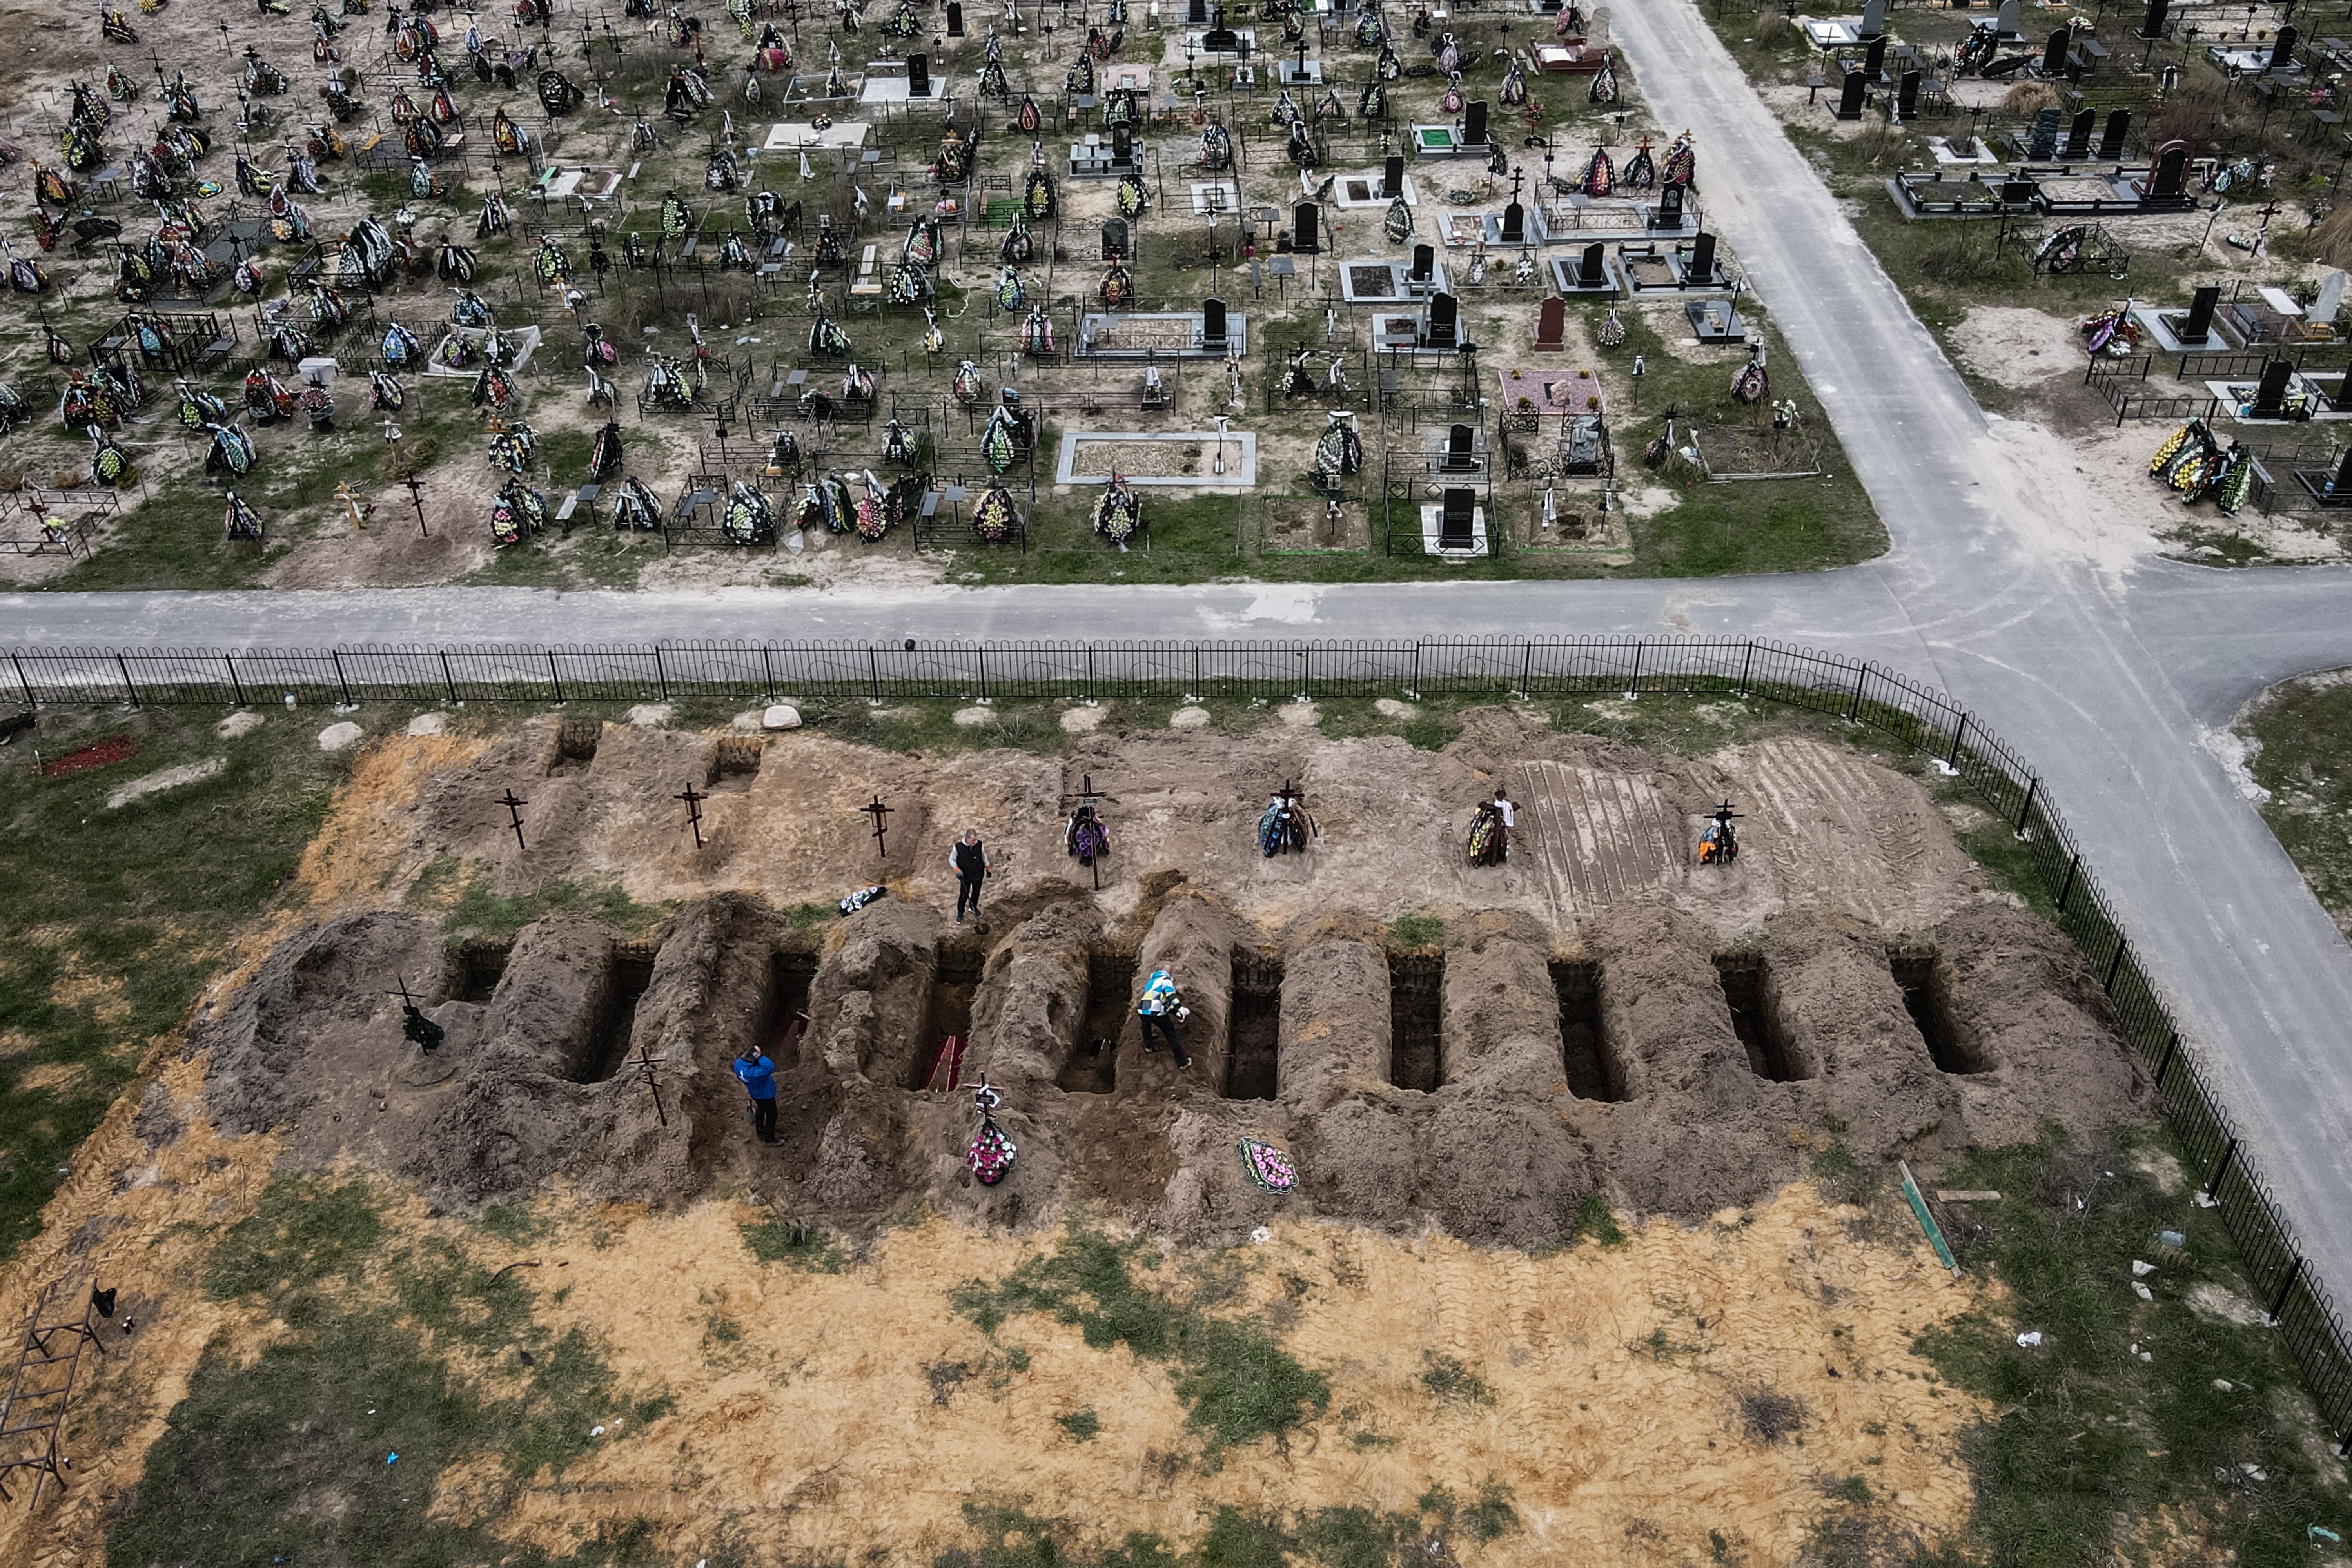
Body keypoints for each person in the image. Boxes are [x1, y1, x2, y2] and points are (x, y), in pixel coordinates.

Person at [1136, 966, 1190, 1068]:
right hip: (1157, 1014)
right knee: (1171, 1035)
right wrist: (1180, 1008)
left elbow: (1162, 1002)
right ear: (1170, 974)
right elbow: (1171, 997)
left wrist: (1176, 1013)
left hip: (1143, 1011)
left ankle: (1148, 1047)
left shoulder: (1151, 983)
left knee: (1146, 1024)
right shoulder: (1166, 981)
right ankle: (1183, 1063)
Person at [733, 1047, 778, 1143]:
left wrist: (753, 1052)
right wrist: (759, 1056)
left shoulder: (739, 1065)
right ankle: (769, 1140)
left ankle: (760, 1130)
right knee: (772, 1114)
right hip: (765, 1095)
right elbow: (770, 1067)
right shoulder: (755, 1073)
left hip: (754, 1094)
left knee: (761, 1109)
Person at [949, 828, 989, 924]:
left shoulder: (979, 845)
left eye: (976, 840)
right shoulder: (958, 847)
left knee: (976, 892)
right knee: (964, 894)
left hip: (978, 873)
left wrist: (988, 868)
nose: (975, 842)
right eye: (973, 841)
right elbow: (952, 859)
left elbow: (984, 856)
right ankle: (960, 913)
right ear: (967, 839)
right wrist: (956, 869)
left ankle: (973, 907)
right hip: (965, 875)